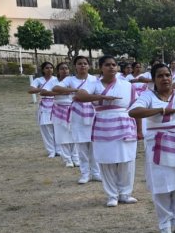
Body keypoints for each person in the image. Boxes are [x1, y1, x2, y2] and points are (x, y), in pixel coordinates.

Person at [129, 63, 175, 233]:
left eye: (167, 75)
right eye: (160, 76)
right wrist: (161, 110)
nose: (165, 79)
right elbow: (133, 112)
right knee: (162, 186)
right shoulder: (147, 96)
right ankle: (164, 225)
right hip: (159, 147)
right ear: (154, 79)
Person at [75, 55, 139, 207]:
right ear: (101, 67)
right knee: (106, 160)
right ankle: (112, 195)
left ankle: (125, 193)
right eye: (107, 65)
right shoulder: (93, 84)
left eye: (114, 65)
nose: (111, 67)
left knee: (127, 160)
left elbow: (136, 106)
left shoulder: (126, 85)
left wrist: (140, 130)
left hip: (125, 123)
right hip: (103, 124)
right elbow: (80, 95)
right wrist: (102, 96)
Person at [54, 56, 101, 183]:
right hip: (77, 115)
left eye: (85, 63)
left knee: (94, 145)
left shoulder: (95, 79)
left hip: (92, 113)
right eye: (79, 64)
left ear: (89, 66)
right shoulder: (70, 79)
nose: (82, 66)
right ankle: (85, 173)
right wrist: (75, 90)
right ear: (75, 66)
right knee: (81, 146)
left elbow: (99, 94)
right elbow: (56, 89)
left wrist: (86, 95)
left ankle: (96, 172)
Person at [47, 62, 80, 167]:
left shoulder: (73, 80)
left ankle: (75, 157)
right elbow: (44, 92)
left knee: (73, 133)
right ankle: (67, 159)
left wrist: (69, 91)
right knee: (62, 135)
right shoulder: (53, 82)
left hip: (73, 108)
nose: (65, 70)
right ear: (58, 71)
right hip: (59, 109)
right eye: (62, 68)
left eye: (66, 68)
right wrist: (61, 92)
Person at [28, 62, 57, 158]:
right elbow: (31, 90)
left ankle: (59, 150)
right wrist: (42, 90)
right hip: (44, 105)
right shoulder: (38, 80)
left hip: (56, 104)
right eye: (47, 68)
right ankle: (51, 151)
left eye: (51, 67)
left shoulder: (56, 79)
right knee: (46, 128)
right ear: (43, 70)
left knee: (56, 128)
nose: (49, 69)